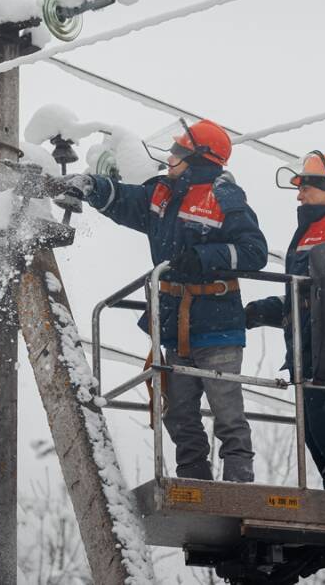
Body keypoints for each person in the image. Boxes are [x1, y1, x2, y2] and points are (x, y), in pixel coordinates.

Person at [59, 119, 268, 483]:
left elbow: (254, 251)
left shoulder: (223, 196)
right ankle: (195, 480)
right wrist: (92, 186)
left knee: (227, 412)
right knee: (178, 413)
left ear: (199, 159)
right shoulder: (163, 194)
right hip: (175, 325)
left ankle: (239, 484)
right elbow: (126, 200)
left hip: (217, 324)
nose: (170, 157)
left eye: (178, 151)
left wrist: (204, 259)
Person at [244, 151, 325, 493]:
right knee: (315, 433)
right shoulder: (304, 235)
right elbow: (299, 300)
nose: (299, 195)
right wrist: (258, 311)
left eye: (305, 187)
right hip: (306, 352)